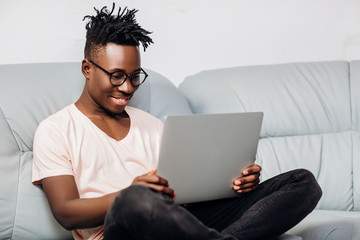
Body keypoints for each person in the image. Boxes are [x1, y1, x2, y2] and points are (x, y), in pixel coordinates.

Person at [32, 3, 322, 240]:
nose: (128, 88)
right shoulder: (56, 129)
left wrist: (235, 183)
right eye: (117, 75)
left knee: (302, 182)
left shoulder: (153, 125)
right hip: (119, 231)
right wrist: (130, 193)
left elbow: (187, 191)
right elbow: (66, 211)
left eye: (135, 77)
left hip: (183, 223)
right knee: (135, 201)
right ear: (87, 68)